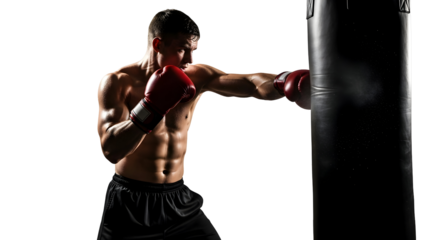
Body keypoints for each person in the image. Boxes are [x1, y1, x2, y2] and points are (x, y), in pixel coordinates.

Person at [95, 8, 310, 240]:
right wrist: (151, 107)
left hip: (177, 200)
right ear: (157, 44)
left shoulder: (196, 76)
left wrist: (284, 82)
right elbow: (110, 149)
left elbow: (250, 83)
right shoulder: (117, 82)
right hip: (130, 205)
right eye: (182, 50)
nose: (190, 60)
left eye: (193, 51)